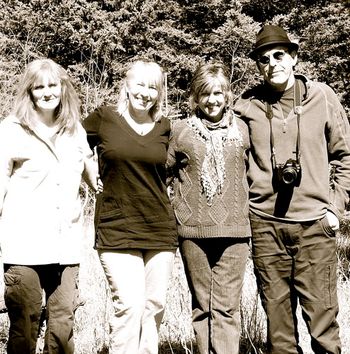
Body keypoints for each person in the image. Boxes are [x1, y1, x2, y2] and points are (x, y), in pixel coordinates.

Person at [234, 25, 350, 354]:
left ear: (294, 57)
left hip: (315, 225)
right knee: (279, 331)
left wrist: (334, 208)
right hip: (265, 226)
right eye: (263, 58)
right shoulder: (246, 105)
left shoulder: (322, 97)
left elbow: (346, 156)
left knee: (323, 325)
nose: (272, 63)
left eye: (279, 55)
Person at [0, 58, 98, 354]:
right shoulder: (11, 129)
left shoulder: (75, 130)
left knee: (62, 328)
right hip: (23, 246)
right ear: (29, 91)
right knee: (25, 325)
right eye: (39, 86)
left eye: (52, 85)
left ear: (62, 88)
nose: (47, 92)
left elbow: (93, 175)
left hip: (65, 245)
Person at [82, 60, 178, 354]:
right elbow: (72, 141)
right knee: (129, 305)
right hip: (116, 224)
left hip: (159, 226)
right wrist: (88, 173)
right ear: (126, 84)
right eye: (140, 84)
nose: (146, 93)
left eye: (153, 87)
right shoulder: (105, 117)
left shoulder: (165, 126)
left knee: (154, 305)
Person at [167, 62, 251, 354]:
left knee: (227, 308)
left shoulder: (242, 129)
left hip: (235, 229)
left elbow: (256, 172)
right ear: (195, 97)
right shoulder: (180, 132)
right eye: (205, 94)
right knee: (203, 305)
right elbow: (162, 174)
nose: (212, 100)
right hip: (192, 231)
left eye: (218, 93)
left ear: (227, 95)